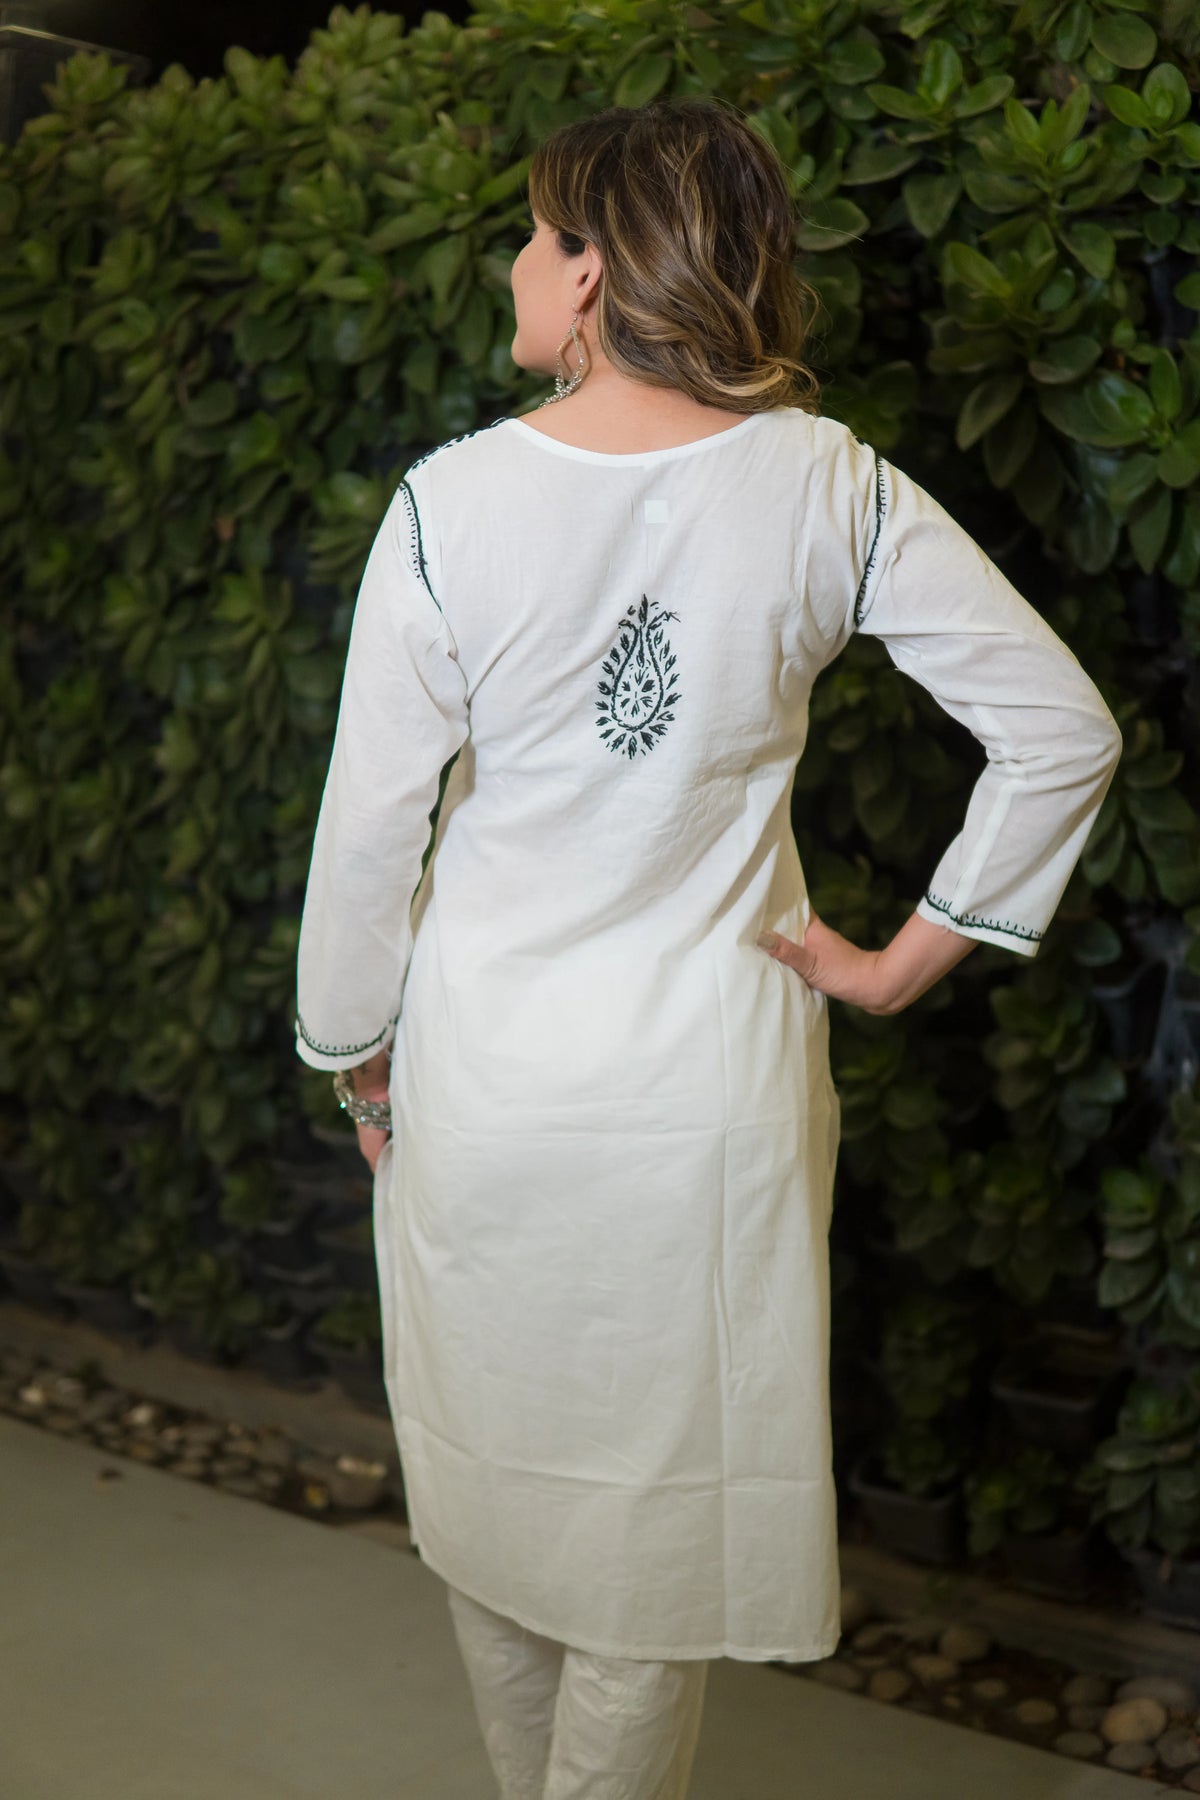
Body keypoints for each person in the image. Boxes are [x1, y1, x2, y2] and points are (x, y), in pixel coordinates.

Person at [293, 95, 1122, 1800]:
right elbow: (1062, 731)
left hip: (490, 1083)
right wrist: (902, 960)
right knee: (643, 1560)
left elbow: (372, 830)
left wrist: (352, 1054)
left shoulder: (450, 506)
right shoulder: (828, 484)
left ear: (589, 274)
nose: (513, 264)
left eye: (535, 235)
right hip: (707, 1101)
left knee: (494, 1493)